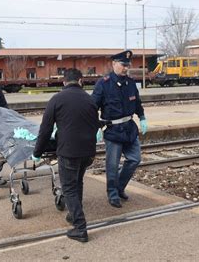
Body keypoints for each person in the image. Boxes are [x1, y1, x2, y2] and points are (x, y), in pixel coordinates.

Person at [32, 68, 99, 243]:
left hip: (69, 151)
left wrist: (37, 153)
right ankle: (73, 214)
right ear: (81, 81)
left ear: (63, 82)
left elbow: (45, 130)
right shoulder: (90, 100)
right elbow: (96, 124)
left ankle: (80, 227)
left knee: (69, 187)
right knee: (78, 183)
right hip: (88, 152)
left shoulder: (57, 99)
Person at [92, 50, 148, 208]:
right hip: (113, 129)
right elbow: (92, 107)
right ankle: (112, 193)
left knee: (135, 159)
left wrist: (142, 117)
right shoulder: (103, 83)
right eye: (123, 65)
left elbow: (137, 102)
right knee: (112, 164)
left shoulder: (130, 83)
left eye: (128, 65)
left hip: (129, 128)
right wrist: (96, 126)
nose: (126, 68)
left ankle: (119, 187)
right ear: (114, 64)